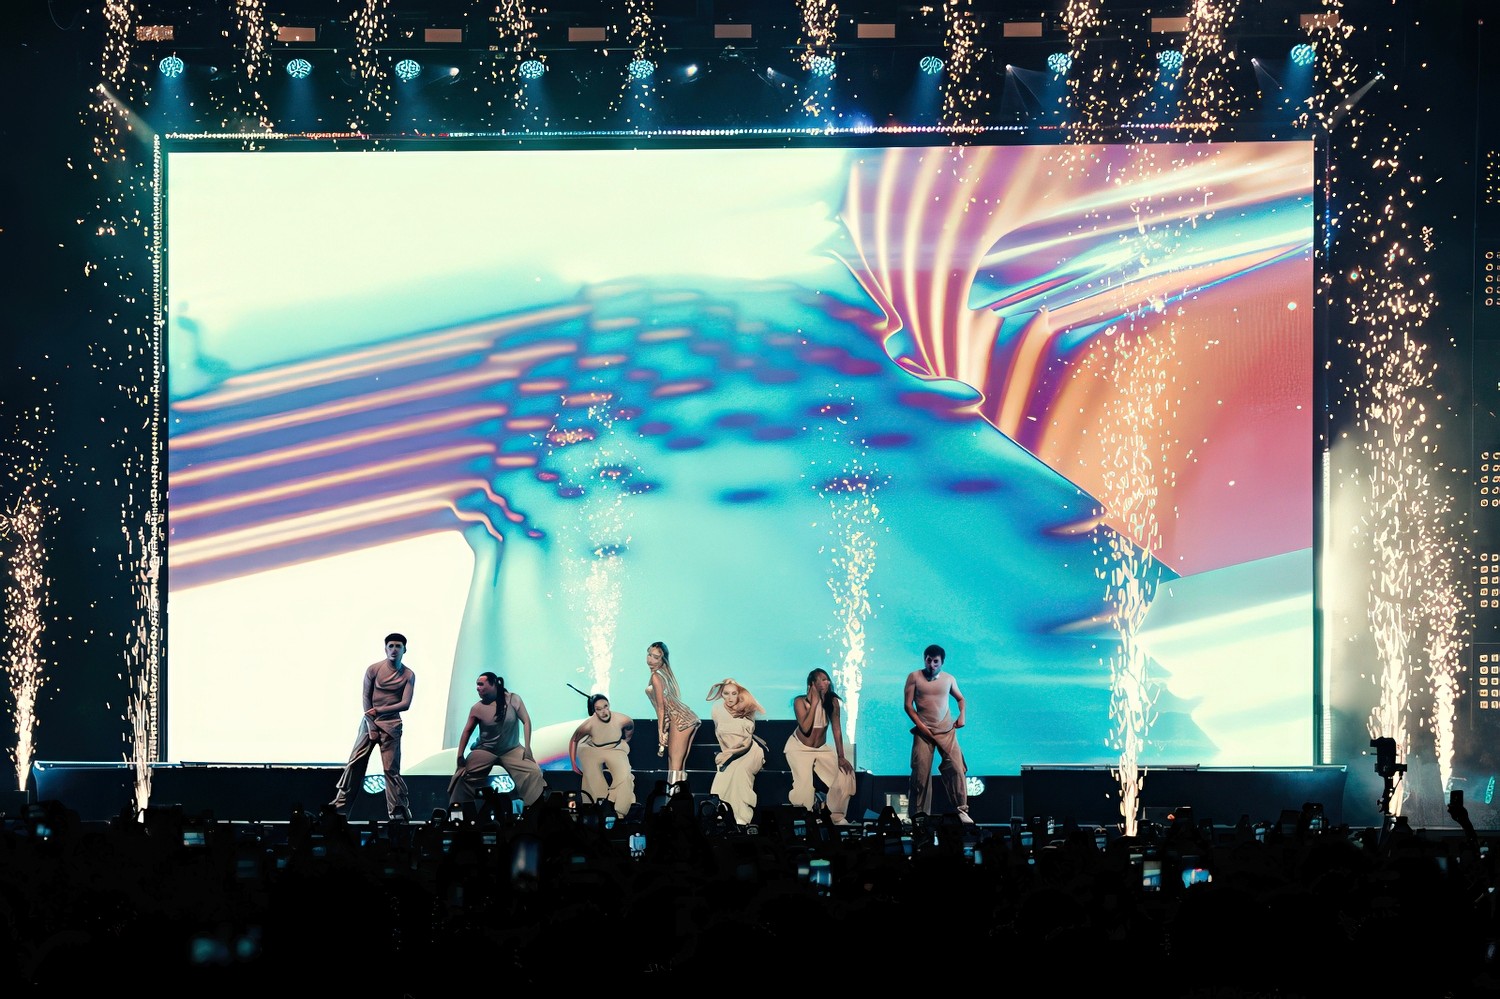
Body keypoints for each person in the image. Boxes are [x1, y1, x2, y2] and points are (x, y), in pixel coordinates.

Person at [329, 633, 416, 820]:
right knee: (355, 763)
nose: (394, 649)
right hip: (370, 722)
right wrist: (372, 725)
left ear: (404, 650)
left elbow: (405, 704)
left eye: (398, 646)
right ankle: (340, 808)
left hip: (392, 724)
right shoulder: (373, 669)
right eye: (391, 646)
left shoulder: (408, 674)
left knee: (391, 769)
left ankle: (398, 810)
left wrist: (380, 710)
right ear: (385, 649)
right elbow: (366, 698)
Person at [447, 671, 546, 811]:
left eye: (481, 684)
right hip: (485, 750)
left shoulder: (513, 699)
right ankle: (460, 812)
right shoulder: (477, 708)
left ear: (493, 684)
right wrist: (460, 755)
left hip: (511, 749)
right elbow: (467, 731)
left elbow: (526, 721)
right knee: (463, 777)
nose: (478, 688)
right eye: (477, 685)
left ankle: (533, 810)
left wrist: (528, 747)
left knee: (533, 772)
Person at [904, 643, 973, 823]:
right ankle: (919, 814)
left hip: (946, 730)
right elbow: (908, 706)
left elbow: (961, 698)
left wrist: (962, 715)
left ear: (942, 662)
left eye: (936, 661)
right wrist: (921, 726)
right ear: (924, 659)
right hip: (923, 731)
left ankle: (961, 809)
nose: (932, 665)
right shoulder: (914, 677)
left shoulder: (949, 679)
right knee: (920, 772)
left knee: (957, 767)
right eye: (929, 660)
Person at [787, 667, 857, 825]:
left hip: (821, 749)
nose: (827, 682)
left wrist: (841, 756)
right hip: (799, 748)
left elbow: (837, 729)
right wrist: (814, 703)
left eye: (828, 680)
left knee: (845, 775)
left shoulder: (832, 702)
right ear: (812, 684)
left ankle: (836, 816)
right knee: (803, 789)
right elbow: (805, 728)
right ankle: (804, 818)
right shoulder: (800, 702)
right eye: (823, 679)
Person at [705, 679, 767, 825]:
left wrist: (729, 754)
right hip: (730, 755)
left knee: (740, 773)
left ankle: (742, 820)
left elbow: (746, 743)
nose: (730, 697)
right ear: (721, 694)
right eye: (726, 693)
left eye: (734, 693)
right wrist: (727, 754)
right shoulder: (717, 709)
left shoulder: (746, 709)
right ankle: (722, 817)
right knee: (722, 779)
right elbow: (720, 736)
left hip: (749, 752)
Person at [568, 693, 636, 818]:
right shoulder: (588, 725)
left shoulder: (622, 719)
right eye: (599, 709)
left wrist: (626, 740)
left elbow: (630, 726)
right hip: (593, 750)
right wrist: (573, 763)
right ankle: (599, 808)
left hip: (614, 749)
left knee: (624, 777)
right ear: (594, 711)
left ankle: (620, 812)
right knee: (593, 778)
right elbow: (574, 740)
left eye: (605, 706)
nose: (604, 712)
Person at [644, 641, 699, 794]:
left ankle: (673, 802)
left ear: (662, 659)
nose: (650, 660)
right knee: (678, 767)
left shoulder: (657, 676)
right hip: (685, 719)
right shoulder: (664, 674)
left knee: (675, 766)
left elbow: (661, 707)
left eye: (656, 657)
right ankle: (677, 801)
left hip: (681, 720)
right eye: (649, 655)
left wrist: (661, 732)